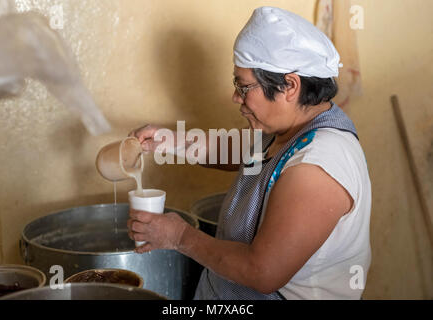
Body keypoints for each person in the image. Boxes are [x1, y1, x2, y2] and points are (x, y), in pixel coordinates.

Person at [127, 6, 371, 300]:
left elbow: (262, 271)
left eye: (244, 87)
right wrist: (168, 142)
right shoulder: (289, 130)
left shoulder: (319, 165)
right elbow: (241, 150)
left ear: (290, 86)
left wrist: (179, 237)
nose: (235, 97)